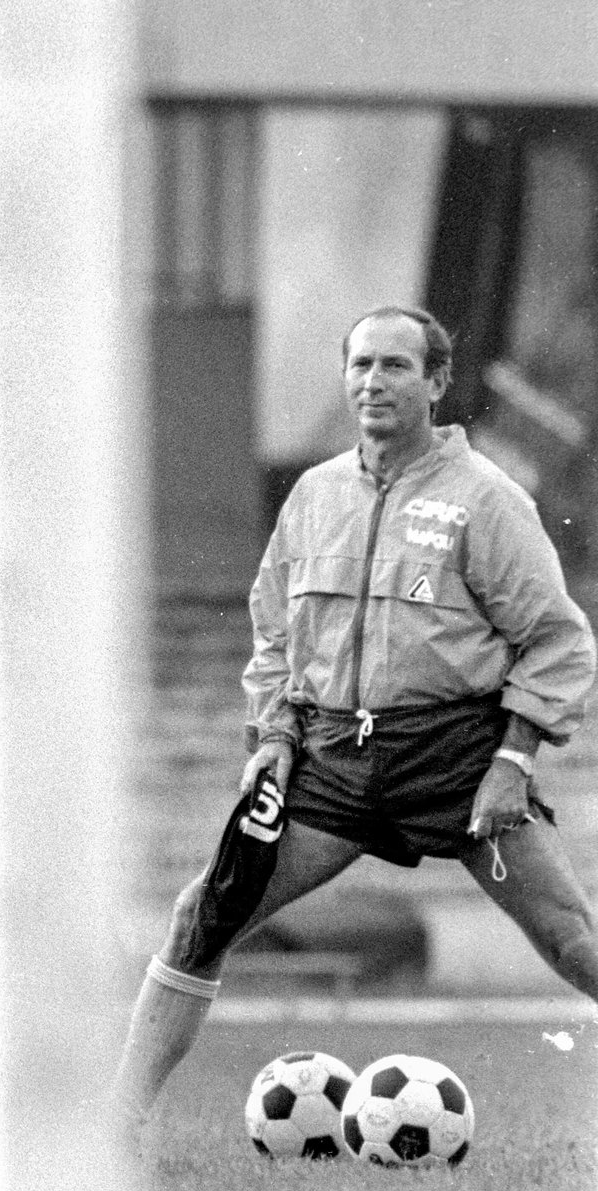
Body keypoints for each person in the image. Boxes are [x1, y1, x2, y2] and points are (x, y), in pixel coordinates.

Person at [115, 305, 598, 1120]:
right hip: (331, 765)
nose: (373, 382)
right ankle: (118, 1122)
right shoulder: (314, 495)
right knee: (202, 914)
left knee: (571, 941)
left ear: (438, 382)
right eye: (361, 365)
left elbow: (559, 642)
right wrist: (272, 734)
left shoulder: (485, 499)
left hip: (457, 765)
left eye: (396, 366)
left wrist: (513, 761)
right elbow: (275, 632)